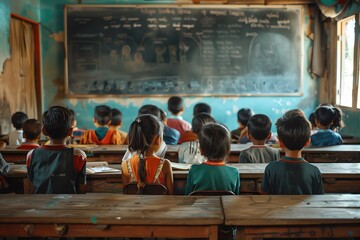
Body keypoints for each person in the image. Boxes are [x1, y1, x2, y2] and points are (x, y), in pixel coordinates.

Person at [260, 111, 324, 195]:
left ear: (280, 142)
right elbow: (319, 199)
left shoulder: (271, 168)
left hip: (277, 208)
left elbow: (264, 195)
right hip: (307, 208)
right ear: (307, 142)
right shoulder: (314, 171)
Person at [26, 106, 87, 194]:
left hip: (39, 205)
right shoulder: (78, 155)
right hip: (69, 205)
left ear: (44, 131)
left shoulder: (31, 155)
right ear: (70, 131)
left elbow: (32, 184)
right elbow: (82, 189)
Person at [121, 114, 174, 194]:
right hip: (160, 206)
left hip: (133, 206)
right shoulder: (165, 164)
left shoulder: (125, 165)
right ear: (158, 139)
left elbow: (126, 194)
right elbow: (171, 196)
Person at [185, 123, 240, 195]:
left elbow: (187, 196)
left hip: (199, 206)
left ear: (202, 150)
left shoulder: (194, 170)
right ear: (228, 149)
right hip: (225, 206)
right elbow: (236, 198)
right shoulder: (234, 172)